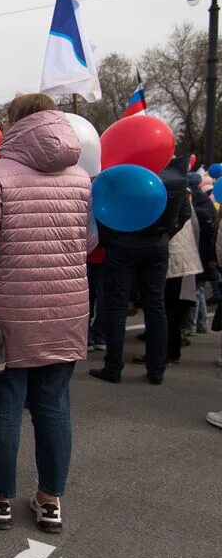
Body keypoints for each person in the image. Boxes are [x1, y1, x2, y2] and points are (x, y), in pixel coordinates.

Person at [0, 94, 94, 533]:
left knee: (3, 408)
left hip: (7, 311)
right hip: (66, 308)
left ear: (16, 123)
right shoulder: (80, 177)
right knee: (54, 407)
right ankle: (50, 500)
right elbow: (88, 242)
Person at [90, 154, 189, 385]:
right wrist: (164, 236)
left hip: (123, 245)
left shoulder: (121, 176)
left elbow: (102, 211)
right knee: (156, 306)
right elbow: (183, 215)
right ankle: (157, 369)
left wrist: (110, 239)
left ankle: (113, 366)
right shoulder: (174, 179)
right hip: (157, 245)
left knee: (116, 305)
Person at [162, 175, 200, 363]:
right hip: (181, 255)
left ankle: (165, 352)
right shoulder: (182, 193)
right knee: (173, 308)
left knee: (167, 308)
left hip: (171, 255)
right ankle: (170, 350)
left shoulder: (167, 192)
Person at [190, 172, 216, 332]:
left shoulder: (198, 208)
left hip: (199, 252)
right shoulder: (207, 204)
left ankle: (194, 324)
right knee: (197, 289)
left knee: (195, 290)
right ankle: (201, 323)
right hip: (204, 253)